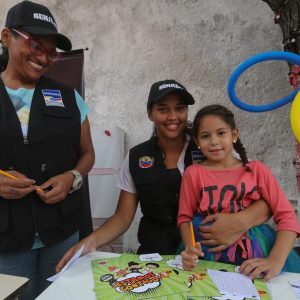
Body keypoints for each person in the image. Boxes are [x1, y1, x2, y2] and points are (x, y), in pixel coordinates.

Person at [57, 80, 271, 272]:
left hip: (208, 256)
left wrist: (240, 222)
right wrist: (89, 242)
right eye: (163, 109)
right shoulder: (137, 157)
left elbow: (266, 202)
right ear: (150, 113)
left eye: (180, 108)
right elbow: (123, 217)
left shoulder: (211, 147)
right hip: (156, 257)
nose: (172, 117)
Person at [0, 1, 95, 299]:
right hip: (7, 239)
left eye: (51, 51)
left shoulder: (69, 98)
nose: (43, 57)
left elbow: (87, 153)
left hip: (62, 233)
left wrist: (72, 178)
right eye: (34, 44)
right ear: (6, 37)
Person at [179, 104, 300, 281]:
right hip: (207, 255)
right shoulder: (193, 173)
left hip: (257, 254)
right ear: (197, 141)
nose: (214, 141)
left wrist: (275, 260)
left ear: (234, 135)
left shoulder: (258, 170)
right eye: (205, 136)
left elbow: (287, 217)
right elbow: (184, 218)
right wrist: (190, 248)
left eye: (221, 133)